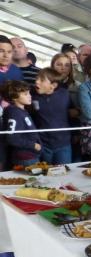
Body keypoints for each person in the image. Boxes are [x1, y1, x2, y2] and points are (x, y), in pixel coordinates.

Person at [31, 68, 72, 164]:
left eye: (42, 80)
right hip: (43, 144)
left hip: (63, 143)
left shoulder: (64, 94)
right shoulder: (31, 95)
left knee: (64, 174)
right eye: (37, 78)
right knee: (45, 175)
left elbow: (73, 111)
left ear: (53, 85)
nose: (37, 82)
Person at [1, 80, 40, 167]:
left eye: (29, 93)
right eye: (25, 94)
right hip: (25, 158)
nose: (30, 96)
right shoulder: (15, 114)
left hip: (30, 155)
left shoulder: (21, 111)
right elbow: (12, 138)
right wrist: (33, 145)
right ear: (14, 97)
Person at [51, 53, 82, 162]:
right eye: (59, 64)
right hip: (53, 134)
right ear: (52, 66)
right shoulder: (46, 86)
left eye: (67, 65)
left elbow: (81, 109)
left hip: (74, 131)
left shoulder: (78, 86)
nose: (63, 68)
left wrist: (77, 111)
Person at [0, 35, 23, 171]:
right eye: (1, 51)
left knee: (13, 160)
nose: (6, 55)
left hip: (14, 121)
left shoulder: (16, 71)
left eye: (9, 52)